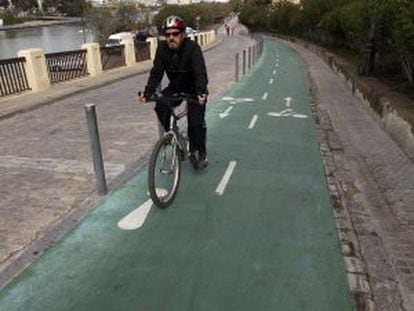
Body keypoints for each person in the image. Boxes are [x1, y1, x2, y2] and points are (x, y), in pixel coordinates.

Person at [138, 15, 209, 169]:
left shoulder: (192, 48)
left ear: (183, 34)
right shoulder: (162, 48)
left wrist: (201, 92)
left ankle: (201, 151)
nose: (171, 38)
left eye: (175, 34)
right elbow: (156, 73)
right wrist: (148, 92)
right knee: (160, 105)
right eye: (168, 34)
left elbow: (200, 73)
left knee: (196, 124)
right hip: (176, 87)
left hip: (194, 89)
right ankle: (172, 134)